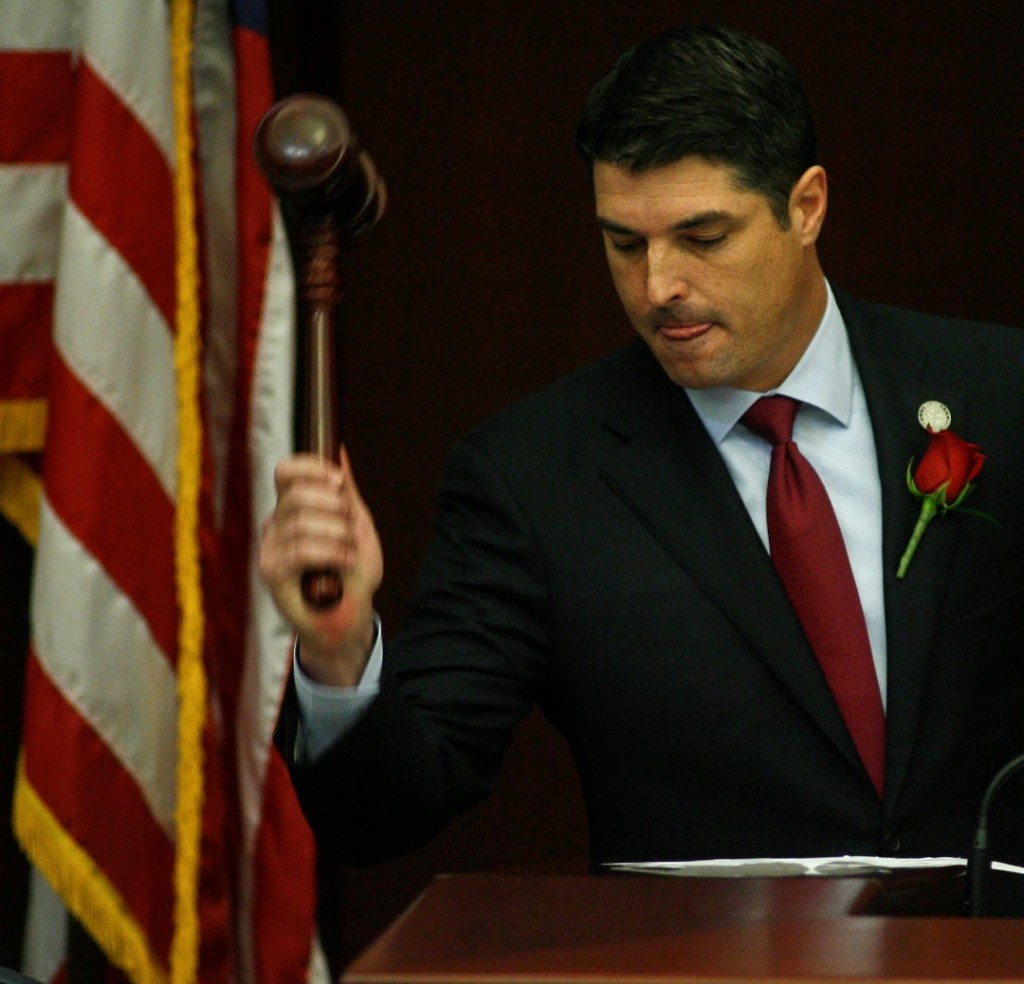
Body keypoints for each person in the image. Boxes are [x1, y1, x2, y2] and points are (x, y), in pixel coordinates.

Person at [259, 24, 1024, 870]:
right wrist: (336, 647)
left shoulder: (1001, 392)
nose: (659, 286)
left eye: (703, 238)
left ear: (806, 207)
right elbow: (387, 814)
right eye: (625, 243)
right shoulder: (532, 477)